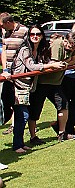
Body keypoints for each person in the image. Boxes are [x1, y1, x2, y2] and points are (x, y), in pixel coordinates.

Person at [28, 32, 75, 143]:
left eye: (74, 46)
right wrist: (66, 62)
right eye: (69, 46)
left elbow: (73, 60)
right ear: (65, 41)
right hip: (42, 82)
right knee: (35, 110)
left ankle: (62, 133)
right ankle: (33, 137)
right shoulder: (57, 44)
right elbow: (55, 64)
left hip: (56, 83)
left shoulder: (73, 47)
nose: (71, 48)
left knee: (63, 105)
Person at [10, 25, 65, 153]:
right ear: (28, 36)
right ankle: (17, 145)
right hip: (18, 85)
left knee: (23, 115)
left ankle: (20, 143)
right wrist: (51, 65)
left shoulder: (40, 49)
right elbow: (31, 66)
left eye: (38, 34)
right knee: (23, 115)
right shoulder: (25, 49)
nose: (35, 37)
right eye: (32, 34)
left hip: (28, 87)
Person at [1, 13, 28, 135]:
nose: (1, 28)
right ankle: (11, 124)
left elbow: (29, 52)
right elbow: (4, 51)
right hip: (8, 75)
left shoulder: (24, 31)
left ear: (8, 22)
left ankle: (19, 134)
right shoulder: (4, 33)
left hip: (21, 74)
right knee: (7, 104)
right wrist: (5, 69)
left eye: (2, 25)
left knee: (21, 106)